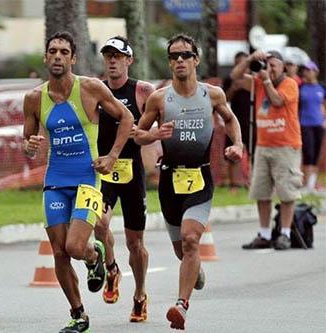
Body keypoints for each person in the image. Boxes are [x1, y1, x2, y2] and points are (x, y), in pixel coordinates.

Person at [23, 31, 133, 333]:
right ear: (46, 58)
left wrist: (111, 156)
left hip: (88, 179)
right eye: (52, 51)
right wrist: (29, 146)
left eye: (63, 52)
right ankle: (78, 314)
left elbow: (126, 119)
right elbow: (27, 140)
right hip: (55, 180)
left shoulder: (91, 88)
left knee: (74, 246)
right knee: (58, 251)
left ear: (73, 58)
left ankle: (94, 253)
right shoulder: (34, 98)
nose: (57, 56)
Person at [135, 34, 243, 330]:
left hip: (199, 176)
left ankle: (181, 306)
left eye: (185, 55)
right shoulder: (159, 98)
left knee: (191, 239)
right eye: (173, 56)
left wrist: (239, 145)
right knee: (181, 250)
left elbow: (231, 120)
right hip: (169, 180)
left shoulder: (213, 94)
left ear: (196, 59)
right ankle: (194, 270)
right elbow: (138, 134)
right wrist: (154, 136)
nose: (179, 60)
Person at [94, 36, 155, 322]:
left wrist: (161, 149)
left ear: (129, 60)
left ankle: (140, 294)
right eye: (108, 56)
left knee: (135, 243)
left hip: (132, 175)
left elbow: (159, 123)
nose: (112, 61)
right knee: (99, 223)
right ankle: (112, 268)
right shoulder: (96, 91)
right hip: (105, 171)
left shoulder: (142, 91)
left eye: (118, 56)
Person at [231, 50, 302, 251]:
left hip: (286, 146)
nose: (269, 69)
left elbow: (277, 101)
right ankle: (264, 234)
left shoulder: (290, 84)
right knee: (261, 192)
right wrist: (250, 59)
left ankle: (285, 234)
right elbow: (235, 77)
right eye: (267, 64)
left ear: (283, 67)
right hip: (263, 146)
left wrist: (267, 81)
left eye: (274, 66)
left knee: (287, 192)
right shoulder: (258, 83)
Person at [222, 51, 252, 189]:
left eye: (245, 63)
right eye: (239, 63)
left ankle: (251, 182)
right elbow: (224, 99)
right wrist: (233, 88)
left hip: (251, 121)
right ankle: (233, 184)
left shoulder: (253, 80)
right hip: (234, 120)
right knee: (232, 153)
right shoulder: (230, 80)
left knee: (252, 152)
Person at [299, 60, 325, 192]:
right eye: (305, 70)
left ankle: (311, 184)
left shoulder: (321, 88)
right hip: (304, 124)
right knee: (308, 152)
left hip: (318, 124)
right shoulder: (301, 87)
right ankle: (305, 183)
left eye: (309, 70)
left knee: (316, 154)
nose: (306, 72)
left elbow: (323, 105)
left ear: (315, 72)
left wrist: (324, 120)